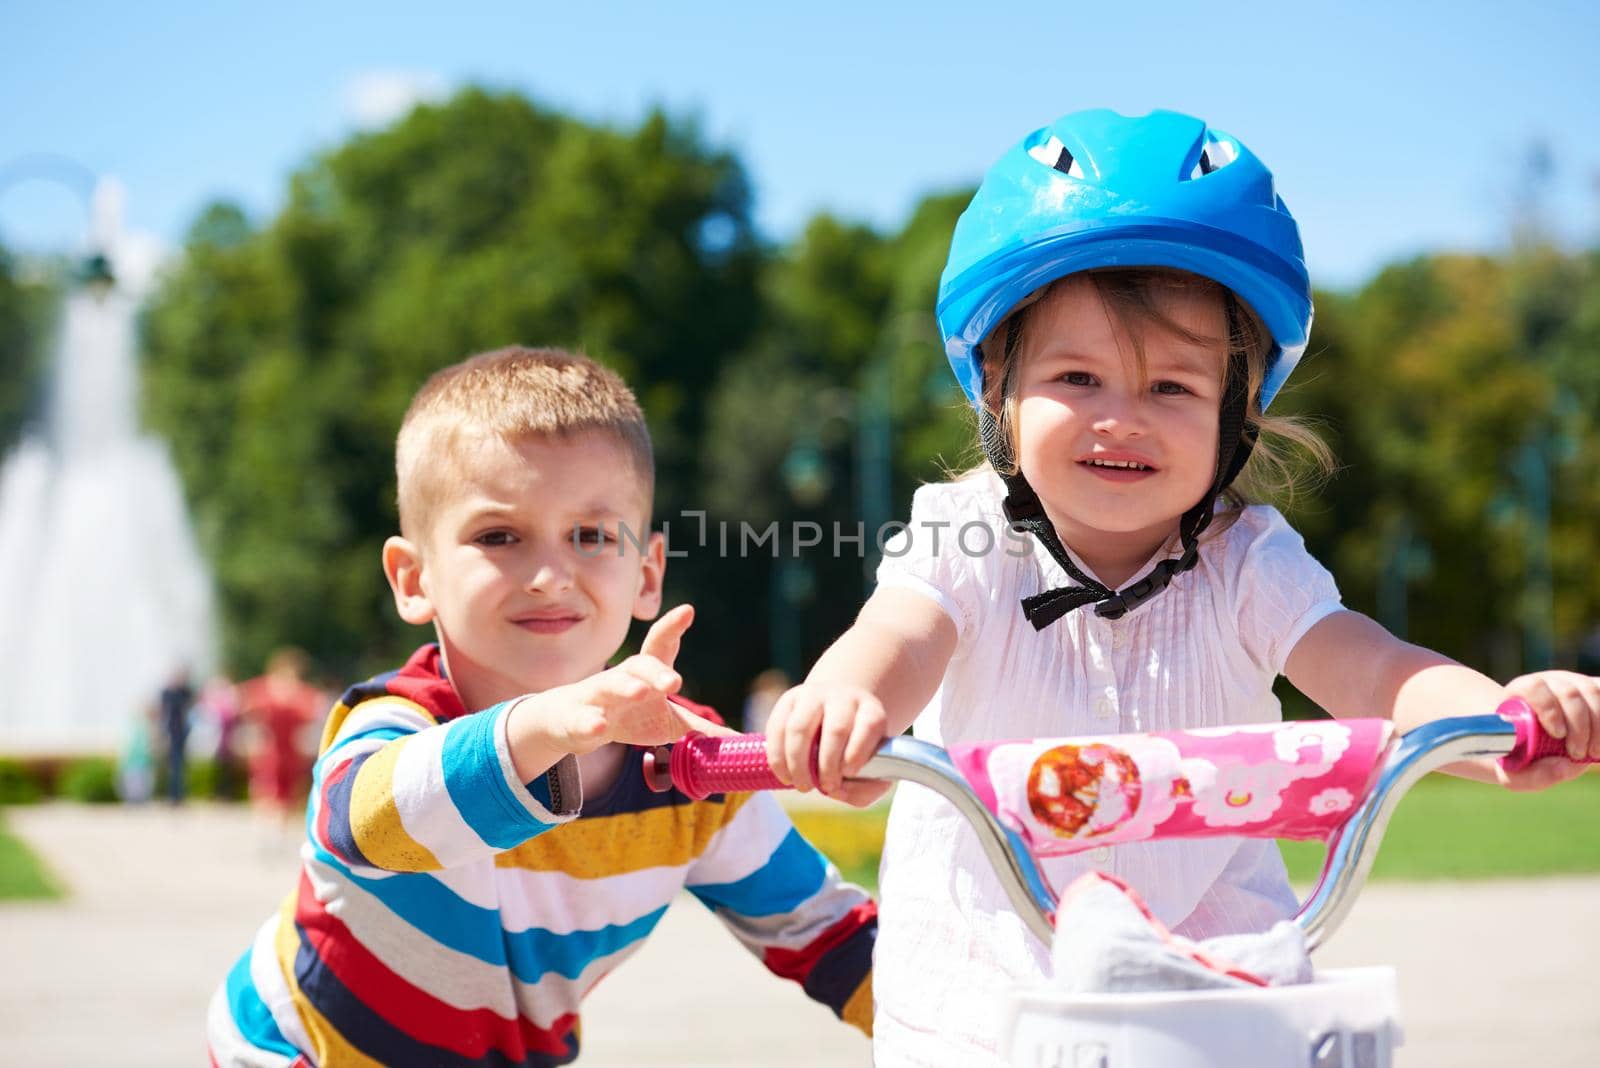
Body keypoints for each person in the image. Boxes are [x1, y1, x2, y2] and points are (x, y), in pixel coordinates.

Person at [761, 108, 1600, 1065]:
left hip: (1216, 982)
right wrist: (845, 701)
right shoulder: (966, 531)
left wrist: (1498, 718)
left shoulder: (1252, 560)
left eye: (1172, 389)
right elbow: (903, 634)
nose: (1122, 421)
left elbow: (1373, 672)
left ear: (1235, 413)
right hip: (990, 990)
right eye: (1079, 377)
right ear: (998, 381)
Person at [207, 347, 876, 1066]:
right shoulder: (398, 722)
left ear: (647, 575)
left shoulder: (692, 772)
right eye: (499, 537)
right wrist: (544, 727)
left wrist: (984, 1026)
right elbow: (367, 821)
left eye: (590, 536)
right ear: (413, 578)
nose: (551, 576)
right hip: (296, 1050)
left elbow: (827, 933)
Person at [238, 648, 323, 828]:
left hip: (289, 749)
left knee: (287, 792)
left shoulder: (298, 692)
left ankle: (277, 828)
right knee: (267, 787)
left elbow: (313, 713)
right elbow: (244, 706)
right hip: (271, 748)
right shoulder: (266, 688)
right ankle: (269, 827)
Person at [156, 666, 194, 805]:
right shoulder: (167, 693)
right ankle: (172, 795)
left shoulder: (185, 691)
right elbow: (163, 714)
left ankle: (180, 795)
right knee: (172, 766)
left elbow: (190, 710)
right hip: (171, 733)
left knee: (181, 766)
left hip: (182, 733)